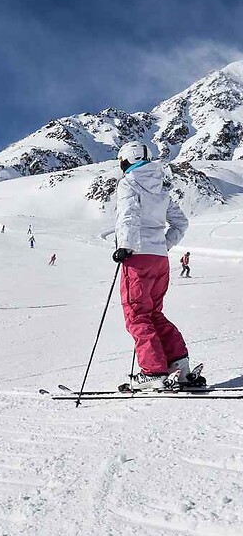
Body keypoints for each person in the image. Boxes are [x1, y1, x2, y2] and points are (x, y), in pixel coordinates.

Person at [113, 141, 198, 391]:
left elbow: (128, 215)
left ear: (127, 160)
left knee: (137, 315)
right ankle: (179, 366)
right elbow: (181, 223)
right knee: (153, 313)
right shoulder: (161, 188)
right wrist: (163, 245)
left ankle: (153, 372)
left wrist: (126, 245)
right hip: (160, 260)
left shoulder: (128, 183)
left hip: (137, 257)